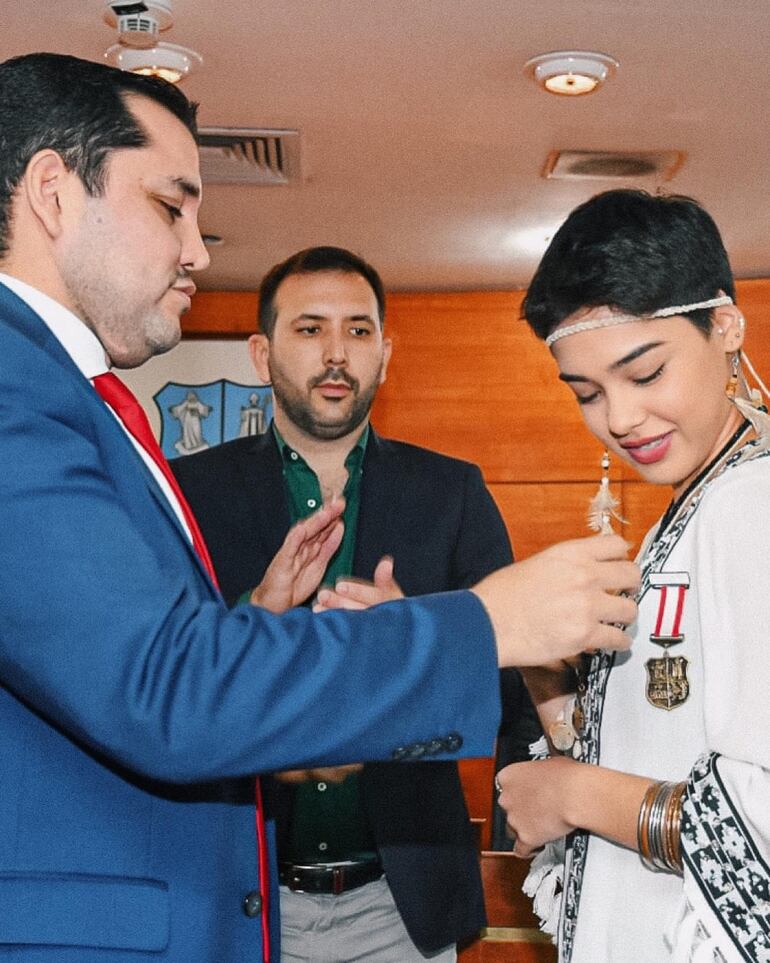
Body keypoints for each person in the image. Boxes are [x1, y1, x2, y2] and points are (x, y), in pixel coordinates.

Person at [0, 52, 639, 963]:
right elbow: (165, 685)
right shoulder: (18, 386)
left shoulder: (59, 387)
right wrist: (477, 623)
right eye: (171, 205)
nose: (195, 249)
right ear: (55, 193)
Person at [173, 245, 541, 961]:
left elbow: (515, 677)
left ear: (386, 351)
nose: (336, 353)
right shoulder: (190, 492)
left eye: (358, 330)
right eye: (309, 329)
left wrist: (419, 637)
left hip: (400, 909)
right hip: (237, 900)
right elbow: (164, 669)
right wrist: (258, 607)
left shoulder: (452, 493)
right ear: (261, 352)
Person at [496, 189, 770, 962]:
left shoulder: (751, 504)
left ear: (725, 325)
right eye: (587, 392)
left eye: (643, 373)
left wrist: (572, 794)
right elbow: (666, 738)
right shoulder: (699, 500)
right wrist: (547, 679)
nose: (618, 418)